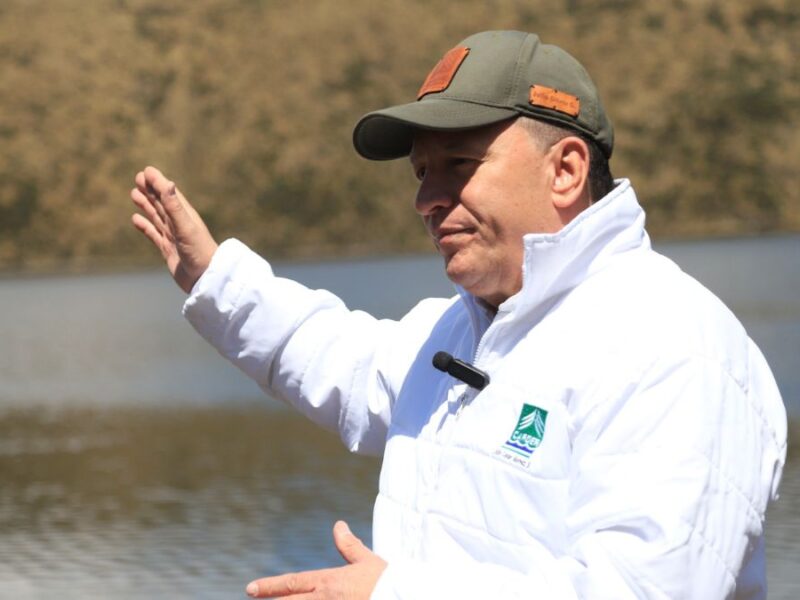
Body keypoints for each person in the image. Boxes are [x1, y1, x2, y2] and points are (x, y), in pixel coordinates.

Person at [131, 30, 787, 599]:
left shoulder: (672, 344)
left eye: (459, 166)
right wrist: (212, 278)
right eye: (421, 172)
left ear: (564, 171)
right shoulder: (464, 330)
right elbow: (336, 356)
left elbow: (644, 590)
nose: (427, 198)